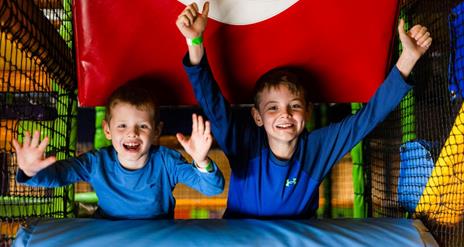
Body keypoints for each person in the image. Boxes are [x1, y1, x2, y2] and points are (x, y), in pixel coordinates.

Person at [176, 2, 432, 219]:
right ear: (257, 116)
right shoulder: (244, 146)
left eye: (294, 106)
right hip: (240, 237)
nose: (285, 114)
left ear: (307, 112)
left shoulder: (317, 149)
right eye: (273, 108)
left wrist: (407, 58)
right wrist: (194, 40)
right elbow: (213, 104)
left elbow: (367, 119)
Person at [12, 82, 225, 220]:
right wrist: (31, 171)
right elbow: (58, 175)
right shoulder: (96, 163)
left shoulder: (167, 161)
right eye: (122, 126)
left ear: (156, 131)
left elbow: (212, 188)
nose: (132, 133)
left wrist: (202, 161)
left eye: (142, 126)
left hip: (157, 235)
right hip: (109, 232)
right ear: (107, 130)